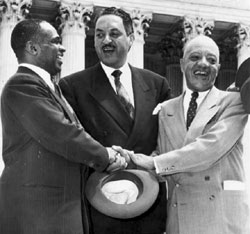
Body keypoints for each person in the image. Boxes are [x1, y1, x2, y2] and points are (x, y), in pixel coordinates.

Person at [0, 19, 128, 234]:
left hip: (55, 208)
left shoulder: (49, 87)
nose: (63, 47)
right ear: (33, 48)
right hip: (38, 212)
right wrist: (106, 156)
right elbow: (63, 134)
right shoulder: (22, 84)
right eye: (55, 42)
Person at [119, 35, 250, 234]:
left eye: (211, 60)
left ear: (219, 67)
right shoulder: (165, 109)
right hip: (180, 218)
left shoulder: (233, 102)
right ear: (181, 64)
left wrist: (154, 163)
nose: (203, 64)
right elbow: (164, 157)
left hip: (221, 217)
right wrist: (129, 159)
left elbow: (210, 148)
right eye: (195, 57)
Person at [59, 7, 171, 234]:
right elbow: (71, 145)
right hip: (101, 204)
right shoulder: (72, 86)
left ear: (131, 39)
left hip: (148, 205)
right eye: (99, 35)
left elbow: (168, 138)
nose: (106, 40)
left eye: (114, 33)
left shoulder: (157, 84)